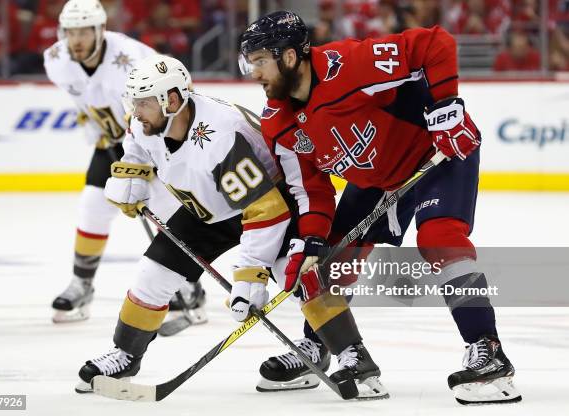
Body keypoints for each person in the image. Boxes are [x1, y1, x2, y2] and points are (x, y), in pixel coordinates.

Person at [239, 11, 521, 405]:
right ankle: (318, 345)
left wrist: (447, 108)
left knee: (439, 239)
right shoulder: (280, 122)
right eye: (248, 63)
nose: (253, 73)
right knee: (328, 260)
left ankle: (489, 352)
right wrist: (314, 239)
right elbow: (314, 190)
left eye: (259, 61)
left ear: (288, 57)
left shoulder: (350, 65)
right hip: (374, 180)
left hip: (434, 156)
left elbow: (434, 42)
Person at [75, 54, 387, 400]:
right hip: (207, 209)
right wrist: (130, 172)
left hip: (272, 204)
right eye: (133, 102)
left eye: (144, 103)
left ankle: (352, 357)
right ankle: (125, 354)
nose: (135, 112)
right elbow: (136, 147)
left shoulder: (219, 136)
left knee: (298, 275)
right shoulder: (145, 121)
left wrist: (249, 276)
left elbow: (263, 211)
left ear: (173, 101)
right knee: (152, 274)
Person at [44, 0, 204, 324]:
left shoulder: (131, 58)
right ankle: (82, 284)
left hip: (153, 142)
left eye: (83, 31)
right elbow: (80, 95)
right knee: (92, 204)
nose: (75, 39)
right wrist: (90, 121)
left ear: (100, 30)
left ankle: (190, 285)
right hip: (113, 142)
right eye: (70, 31)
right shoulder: (56, 59)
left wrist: (147, 154)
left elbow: (179, 92)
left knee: (165, 211)